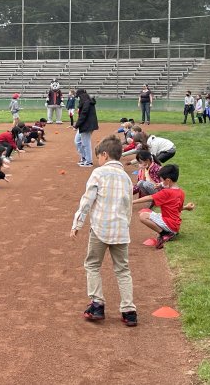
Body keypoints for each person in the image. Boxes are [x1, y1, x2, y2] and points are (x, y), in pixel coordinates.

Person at [70, 135, 137, 326]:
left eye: (98, 156)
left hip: (100, 228)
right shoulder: (126, 177)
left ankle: (97, 304)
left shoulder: (98, 174)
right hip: (121, 230)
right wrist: (126, 226)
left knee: (92, 265)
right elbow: (128, 205)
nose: (98, 159)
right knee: (123, 270)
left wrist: (77, 224)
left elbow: (87, 200)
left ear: (105, 155)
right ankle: (129, 310)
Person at [133, 165, 195, 249]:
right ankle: (169, 232)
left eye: (162, 180)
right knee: (150, 213)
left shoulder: (166, 192)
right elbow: (178, 209)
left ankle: (164, 233)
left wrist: (132, 202)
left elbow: (149, 197)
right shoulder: (181, 192)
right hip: (175, 225)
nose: (161, 182)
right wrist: (186, 207)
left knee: (143, 216)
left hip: (169, 224)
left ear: (168, 180)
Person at [74, 88, 99, 167]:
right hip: (84, 125)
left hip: (87, 125)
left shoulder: (87, 102)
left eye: (78, 96)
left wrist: (76, 125)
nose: (78, 98)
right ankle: (84, 158)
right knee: (77, 141)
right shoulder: (85, 102)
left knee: (86, 143)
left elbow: (83, 115)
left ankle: (89, 161)